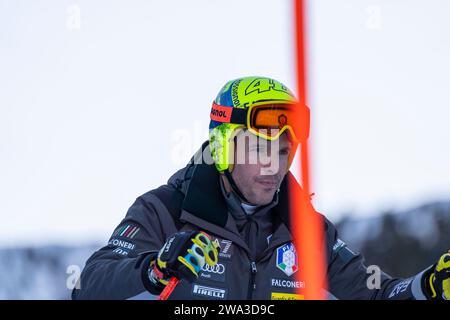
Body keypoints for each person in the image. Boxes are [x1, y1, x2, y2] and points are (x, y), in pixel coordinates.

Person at [72, 76, 450, 300]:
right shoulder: (167, 211)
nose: (276, 166)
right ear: (222, 148)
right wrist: (154, 270)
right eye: (259, 149)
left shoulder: (308, 231)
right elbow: (87, 285)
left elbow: (376, 294)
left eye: (284, 151)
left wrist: (428, 286)